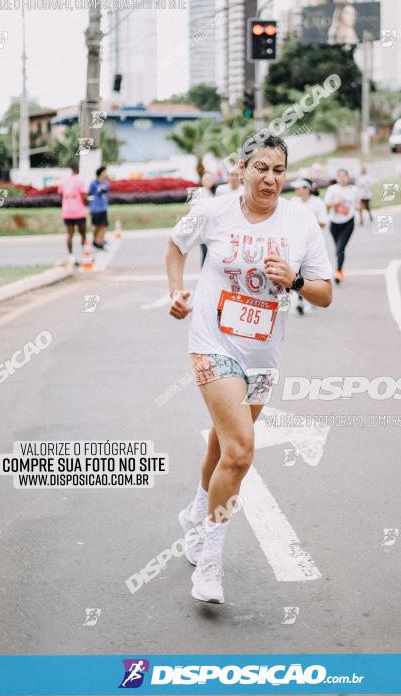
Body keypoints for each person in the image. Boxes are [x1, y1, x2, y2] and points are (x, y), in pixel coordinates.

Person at [166, 134, 332, 604]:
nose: (270, 179)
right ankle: (211, 558)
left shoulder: (301, 222)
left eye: (279, 170)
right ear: (241, 169)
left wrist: (295, 281)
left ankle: (196, 512)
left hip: (263, 354)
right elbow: (176, 245)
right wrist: (176, 292)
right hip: (212, 343)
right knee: (240, 451)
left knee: (223, 443)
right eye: (261, 167)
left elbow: (325, 292)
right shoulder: (214, 211)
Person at [291, 178, 328, 314]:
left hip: (312, 244)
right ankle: (300, 301)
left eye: (298, 188)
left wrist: (307, 222)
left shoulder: (317, 203)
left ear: (306, 188)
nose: (295, 190)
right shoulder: (294, 202)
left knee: (310, 274)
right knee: (297, 271)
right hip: (296, 242)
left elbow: (323, 222)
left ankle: (311, 300)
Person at [324, 168, 357, 284]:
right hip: (334, 223)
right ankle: (340, 268)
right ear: (337, 178)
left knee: (340, 248)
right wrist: (335, 203)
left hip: (348, 222)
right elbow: (326, 205)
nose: (342, 178)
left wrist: (358, 206)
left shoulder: (353, 190)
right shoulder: (332, 190)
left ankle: (338, 271)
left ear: (347, 178)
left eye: (344, 176)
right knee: (338, 248)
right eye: (340, 176)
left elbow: (357, 203)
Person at [57, 162, 88, 265]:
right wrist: (87, 202)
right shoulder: (80, 180)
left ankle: (71, 256)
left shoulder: (64, 180)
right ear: (77, 168)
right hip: (79, 212)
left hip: (67, 212)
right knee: (83, 234)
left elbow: (60, 195)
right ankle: (85, 255)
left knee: (70, 235)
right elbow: (84, 196)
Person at [88, 166, 110, 249]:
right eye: (104, 172)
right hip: (95, 208)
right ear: (100, 173)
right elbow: (89, 194)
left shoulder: (106, 183)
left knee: (104, 226)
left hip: (103, 208)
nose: (106, 174)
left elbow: (106, 194)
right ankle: (95, 240)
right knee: (96, 226)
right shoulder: (93, 183)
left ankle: (99, 241)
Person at [198, 172, 216, 265]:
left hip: (214, 229)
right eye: (206, 179)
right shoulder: (195, 192)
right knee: (205, 253)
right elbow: (192, 211)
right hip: (202, 229)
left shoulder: (216, 193)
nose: (208, 181)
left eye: (210, 179)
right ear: (202, 180)